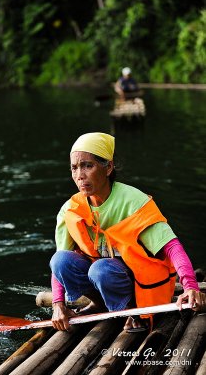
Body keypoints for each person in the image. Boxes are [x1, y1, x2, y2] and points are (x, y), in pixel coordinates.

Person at [50, 132, 205, 332]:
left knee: (101, 269)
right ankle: (102, 303)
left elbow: (172, 246)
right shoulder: (69, 209)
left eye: (88, 166)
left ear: (108, 167)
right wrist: (58, 304)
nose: (80, 175)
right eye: (74, 167)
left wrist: (190, 286)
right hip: (104, 280)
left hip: (141, 284)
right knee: (60, 260)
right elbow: (58, 268)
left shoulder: (134, 202)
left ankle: (133, 311)